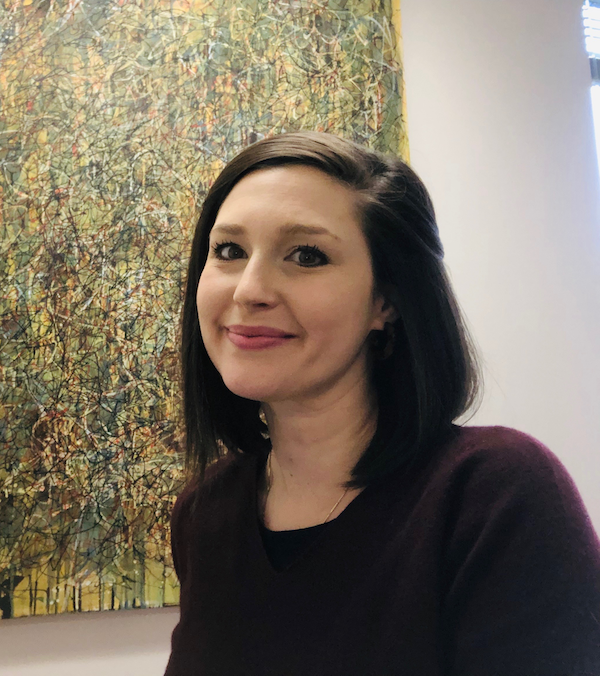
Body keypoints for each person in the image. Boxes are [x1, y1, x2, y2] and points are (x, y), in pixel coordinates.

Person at [164, 131, 600, 675]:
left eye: (306, 255)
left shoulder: (495, 495)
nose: (249, 289)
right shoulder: (206, 513)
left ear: (386, 302)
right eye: (228, 250)